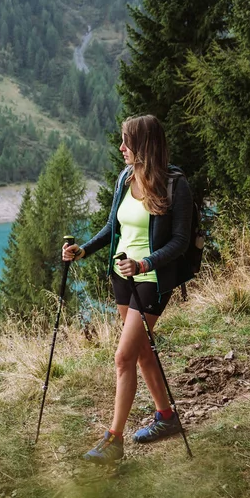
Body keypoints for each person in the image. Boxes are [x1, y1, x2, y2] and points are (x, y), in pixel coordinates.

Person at [62, 115, 192, 464]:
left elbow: (180, 242)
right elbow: (112, 228)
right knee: (141, 352)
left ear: (144, 145)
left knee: (124, 357)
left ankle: (113, 440)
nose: (121, 148)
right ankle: (166, 417)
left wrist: (145, 264)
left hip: (152, 280)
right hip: (123, 278)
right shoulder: (126, 177)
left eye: (127, 142)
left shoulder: (175, 185)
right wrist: (84, 250)